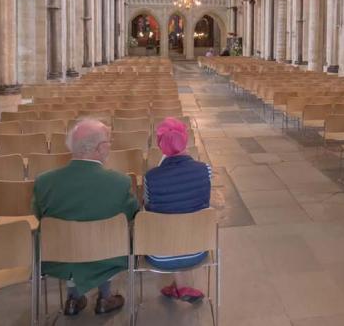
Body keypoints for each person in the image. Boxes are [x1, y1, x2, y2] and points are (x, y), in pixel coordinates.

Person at [33, 119, 139, 316]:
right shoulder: (119, 182)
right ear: (99, 148)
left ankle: (73, 299)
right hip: (107, 253)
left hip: (59, 255)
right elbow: (133, 214)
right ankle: (104, 297)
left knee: (69, 240)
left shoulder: (44, 182)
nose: (110, 146)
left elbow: (39, 215)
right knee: (112, 235)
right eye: (108, 141)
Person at [143, 118, 212, 303]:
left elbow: (148, 209)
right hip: (198, 249)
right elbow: (203, 201)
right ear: (185, 140)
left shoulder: (151, 177)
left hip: (160, 255)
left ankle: (180, 286)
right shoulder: (205, 170)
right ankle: (180, 286)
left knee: (161, 221)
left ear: (160, 145)